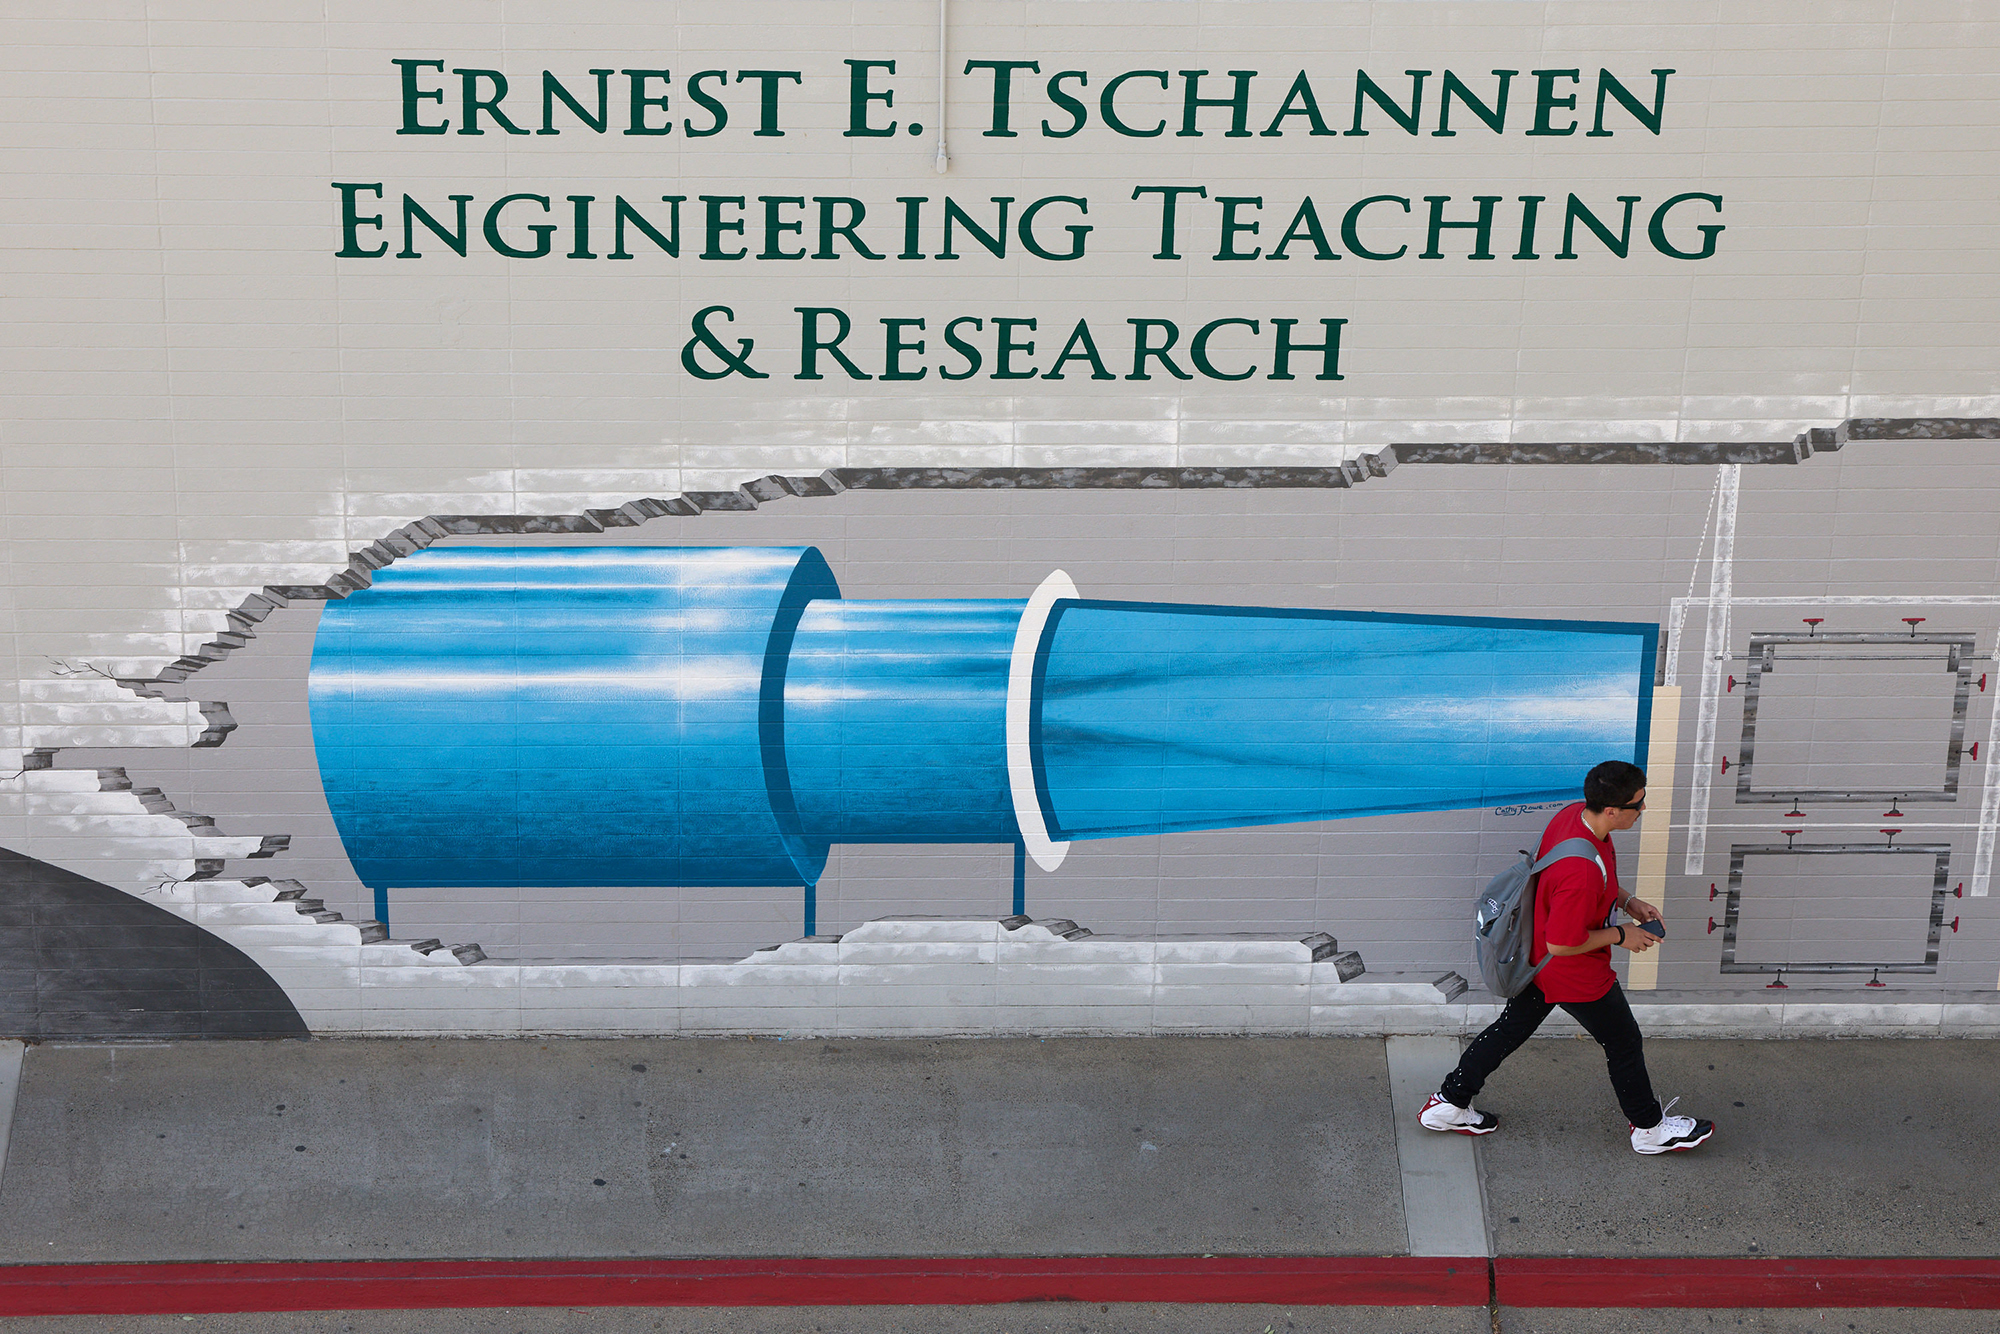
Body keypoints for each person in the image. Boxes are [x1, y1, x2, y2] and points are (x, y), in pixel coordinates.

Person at [1418, 760, 1714, 1155]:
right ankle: (1648, 1128)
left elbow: (1587, 882)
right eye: (1638, 805)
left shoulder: (1575, 818)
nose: (1642, 811)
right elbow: (1563, 941)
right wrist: (1622, 935)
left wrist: (1628, 902)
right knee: (1624, 1042)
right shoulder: (1581, 870)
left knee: (1509, 1030)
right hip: (1572, 972)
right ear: (1612, 810)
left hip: (1538, 964)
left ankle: (1449, 1104)